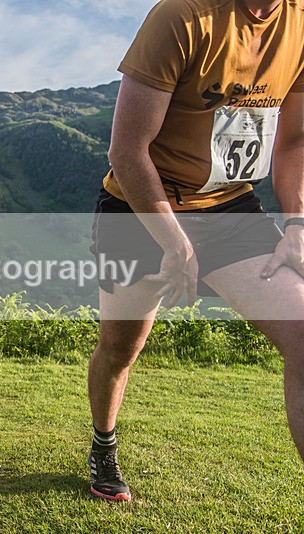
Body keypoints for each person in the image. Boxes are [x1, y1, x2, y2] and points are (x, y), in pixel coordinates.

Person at [88, 0, 304, 501]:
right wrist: (174, 241)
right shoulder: (182, 16)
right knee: (122, 348)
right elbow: (126, 151)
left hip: (230, 209)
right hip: (140, 209)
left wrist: (295, 221)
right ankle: (104, 442)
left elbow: (292, 143)